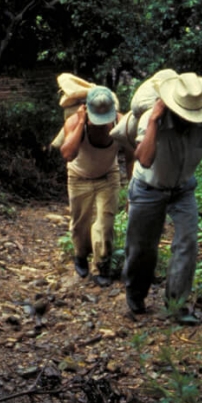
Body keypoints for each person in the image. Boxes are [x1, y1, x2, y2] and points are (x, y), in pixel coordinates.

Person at [112, 71, 202, 321]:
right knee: (142, 249)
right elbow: (145, 159)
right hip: (147, 188)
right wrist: (153, 123)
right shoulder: (153, 118)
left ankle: (176, 305)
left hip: (183, 190)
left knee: (188, 243)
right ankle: (136, 295)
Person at [60, 86, 133, 286]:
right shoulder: (74, 122)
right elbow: (68, 154)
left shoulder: (121, 122)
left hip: (108, 176)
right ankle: (81, 255)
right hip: (78, 176)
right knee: (80, 221)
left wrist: (131, 192)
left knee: (105, 222)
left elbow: (130, 156)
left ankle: (102, 264)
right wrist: (82, 121)